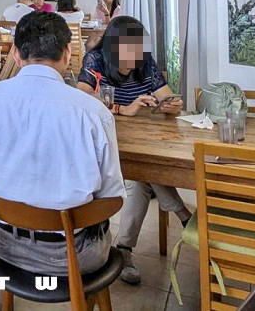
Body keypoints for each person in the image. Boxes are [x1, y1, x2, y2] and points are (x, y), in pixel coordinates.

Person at [0, 12, 124, 275]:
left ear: (16, 54)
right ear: (67, 53)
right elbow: (111, 199)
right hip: (72, 255)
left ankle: (1, 290)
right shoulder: (93, 112)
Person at [76, 15, 189, 285]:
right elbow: (80, 97)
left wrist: (173, 104)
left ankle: (125, 249)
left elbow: (168, 97)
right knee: (143, 175)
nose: (134, 55)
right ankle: (184, 215)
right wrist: (122, 109)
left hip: (141, 142)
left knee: (140, 179)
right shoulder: (96, 61)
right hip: (104, 142)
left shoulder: (145, 63)